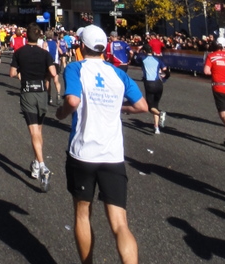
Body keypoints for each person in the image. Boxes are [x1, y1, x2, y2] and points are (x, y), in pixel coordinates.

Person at [56, 25, 148, 264]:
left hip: (83, 153)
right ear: (104, 48)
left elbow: (73, 100)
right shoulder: (118, 74)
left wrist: (61, 113)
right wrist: (121, 108)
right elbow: (142, 107)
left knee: (82, 213)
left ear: (81, 46)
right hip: (113, 155)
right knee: (120, 224)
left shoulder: (76, 68)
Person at [10, 22, 60, 191]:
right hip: (42, 93)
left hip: (27, 92)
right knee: (38, 131)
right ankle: (37, 163)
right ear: (39, 37)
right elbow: (53, 73)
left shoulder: (19, 53)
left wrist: (21, 73)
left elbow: (12, 73)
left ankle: (43, 166)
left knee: (33, 131)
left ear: (26, 36)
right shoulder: (45, 54)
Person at [203, 35, 225, 147]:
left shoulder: (211, 56)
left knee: (224, 114)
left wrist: (216, 71)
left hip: (219, 87)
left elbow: (206, 71)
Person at [140, 43, 168, 134]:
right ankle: (156, 127)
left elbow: (134, 58)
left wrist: (139, 51)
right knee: (155, 105)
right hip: (159, 84)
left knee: (150, 107)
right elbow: (165, 69)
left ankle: (160, 114)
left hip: (149, 84)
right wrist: (164, 79)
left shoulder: (142, 59)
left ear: (144, 51)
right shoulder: (158, 59)